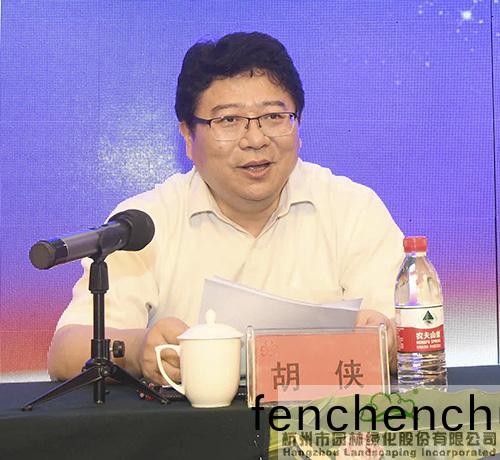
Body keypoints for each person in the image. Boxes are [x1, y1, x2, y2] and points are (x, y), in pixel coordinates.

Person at [48, 32, 403, 385]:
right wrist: (139, 349)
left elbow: (408, 334)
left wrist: (386, 340)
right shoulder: (146, 222)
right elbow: (65, 352)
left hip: (318, 418)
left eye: (274, 116)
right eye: (229, 120)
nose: (255, 139)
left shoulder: (352, 209)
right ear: (188, 136)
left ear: (298, 124)